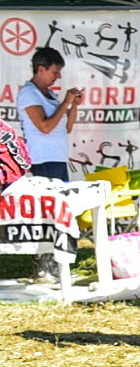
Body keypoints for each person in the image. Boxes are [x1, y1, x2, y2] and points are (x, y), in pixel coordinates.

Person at [18, 46, 83, 280]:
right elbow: (44, 126)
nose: (58, 77)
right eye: (55, 72)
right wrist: (65, 102)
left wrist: (72, 105)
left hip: (57, 158)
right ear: (41, 69)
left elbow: (65, 127)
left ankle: (57, 264)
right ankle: (43, 265)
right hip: (42, 160)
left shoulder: (49, 94)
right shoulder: (28, 94)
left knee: (60, 211)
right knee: (47, 213)